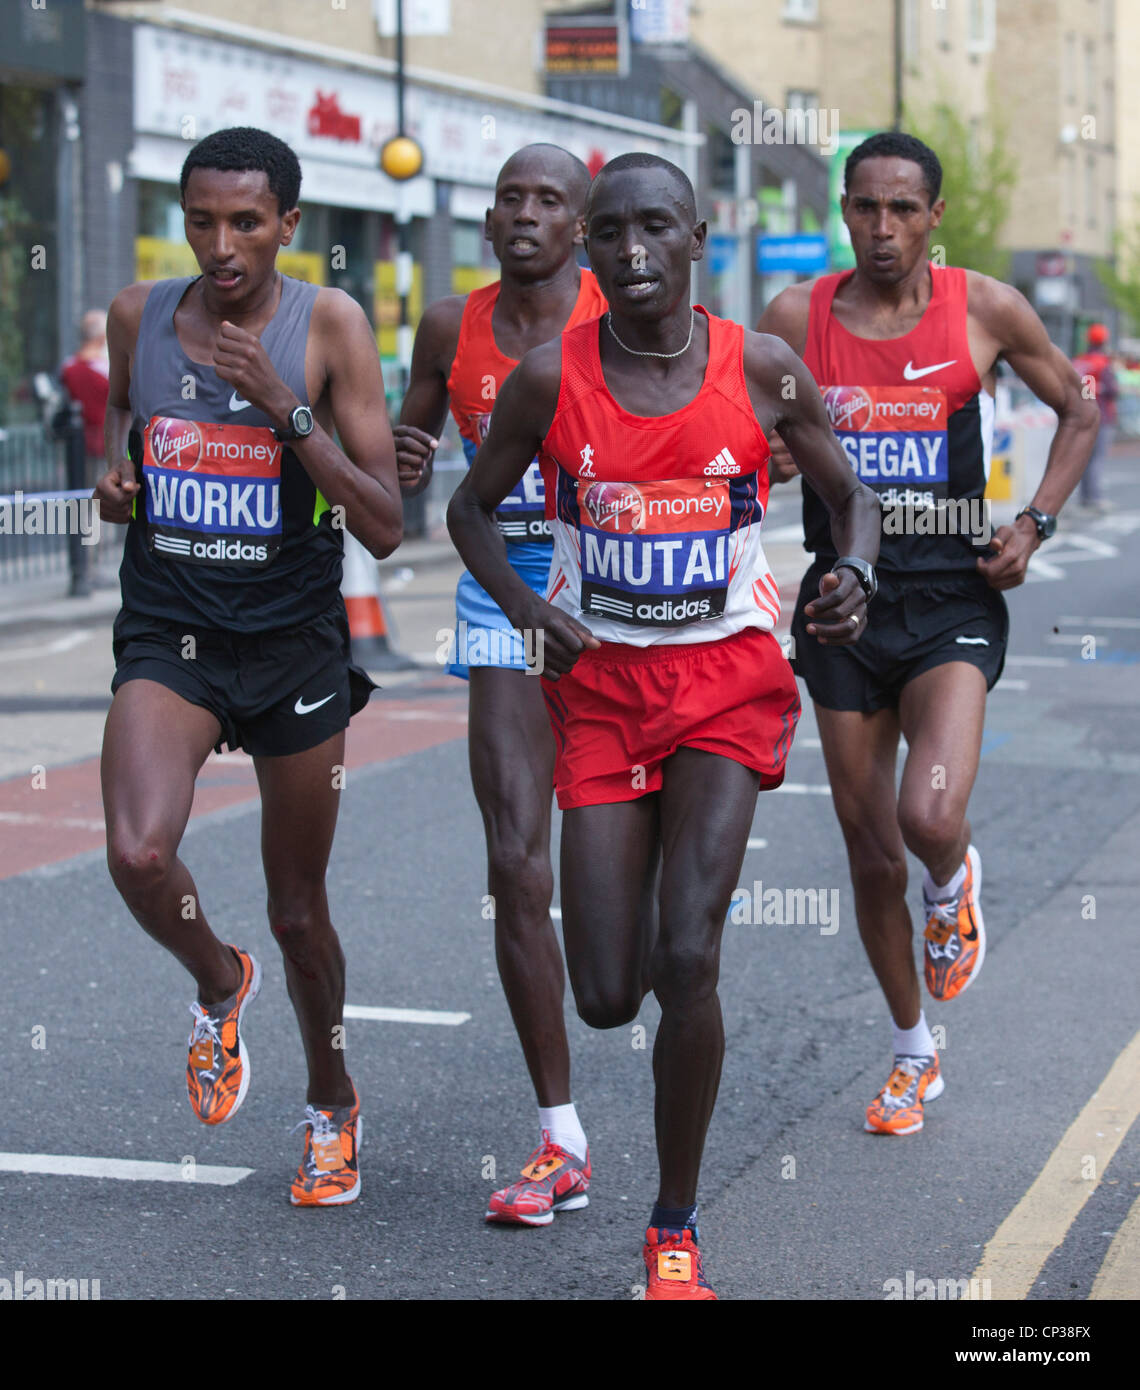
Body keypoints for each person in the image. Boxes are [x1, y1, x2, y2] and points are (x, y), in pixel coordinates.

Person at [448, 153, 879, 1298]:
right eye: (611, 235)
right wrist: (528, 606)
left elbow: (851, 496)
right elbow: (467, 505)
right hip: (599, 689)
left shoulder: (764, 367)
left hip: (727, 682)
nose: (631, 253)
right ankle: (640, 906)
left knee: (688, 951)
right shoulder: (548, 378)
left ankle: (673, 1223)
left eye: (655, 230)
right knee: (605, 991)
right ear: (588, 248)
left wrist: (856, 578)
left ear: (695, 237)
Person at [759, 131, 1096, 1138]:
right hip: (840, 603)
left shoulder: (982, 308)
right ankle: (913, 1052)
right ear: (844, 212)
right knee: (868, 854)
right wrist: (770, 460)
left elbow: (1076, 408)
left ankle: (951, 884)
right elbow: (744, 430)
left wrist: (1032, 521)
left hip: (949, 590)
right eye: (864, 206)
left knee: (929, 814)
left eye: (902, 208)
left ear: (932, 217)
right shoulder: (793, 316)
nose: (881, 227)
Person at [92, 126, 401, 1207]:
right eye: (201, 221)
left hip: (291, 647)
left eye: (246, 223)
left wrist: (283, 405)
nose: (221, 245)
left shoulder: (330, 327)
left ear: (288, 226)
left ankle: (331, 1102)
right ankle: (219, 985)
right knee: (137, 854)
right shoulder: (140, 317)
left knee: (299, 908)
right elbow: (124, 440)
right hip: (169, 634)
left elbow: (383, 523)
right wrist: (114, 481)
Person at [396, 144, 606, 1226]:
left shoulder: (628, 311)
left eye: (549, 202)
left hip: (618, 591)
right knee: (516, 856)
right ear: (487, 221)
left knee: (625, 878)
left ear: (582, 225)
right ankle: (558, 1134)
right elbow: (415, 436)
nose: (527, 216)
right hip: (501, 592)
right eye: (511, 200)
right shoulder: (451, 324)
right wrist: (396, 453)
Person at [1071, 323, 1118, 509]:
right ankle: (1094, 497)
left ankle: (1085, 496)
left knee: (1085, 458)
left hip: (1082, 414)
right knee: (1097, 458)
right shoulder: (1103, 363)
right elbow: (1113, 390)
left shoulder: (1080, 360)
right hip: (1101, 415)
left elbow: (1080, 389)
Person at [60, 310, 111, 464]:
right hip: (108, 443)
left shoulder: (67, 368)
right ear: (103, 337)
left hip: (78, 444)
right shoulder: (107, 369)